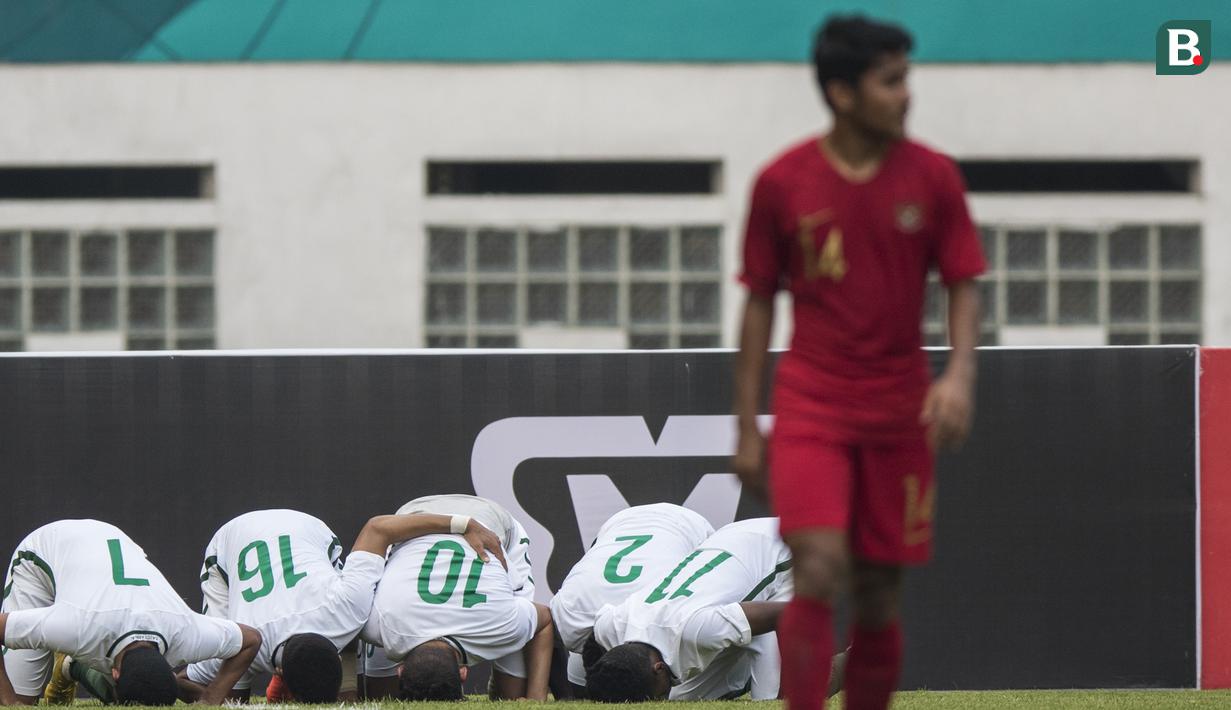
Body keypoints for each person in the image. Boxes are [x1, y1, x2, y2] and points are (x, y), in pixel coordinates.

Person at [731, 14, 985, 710]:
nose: (906, 95)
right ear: (842, 93)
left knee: (877, 590)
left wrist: (958, 374)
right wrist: (747, 428)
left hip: (899, 411)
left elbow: (963, 280)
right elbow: (756, 303)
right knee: (815, 565)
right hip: (812, 405)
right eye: (890, 81)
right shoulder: (782, 182)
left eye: (906, 79)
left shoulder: (932, 177)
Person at [179, 508, 505, 703]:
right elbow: (377, 528)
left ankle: (344, 691)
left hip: (307, 531)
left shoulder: (345, 610)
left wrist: (464, 524)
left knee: (357, 621)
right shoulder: (247, 642)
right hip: (229, 543)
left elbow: (379, 528)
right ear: (279, 672)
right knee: (230, 694)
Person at [0, 519, 261, 706]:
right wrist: (11, 704)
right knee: (23, 700)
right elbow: (250, 639)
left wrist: (210, 700)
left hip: (110, 554)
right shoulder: (74, 626)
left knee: (143, 687)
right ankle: (71, 665)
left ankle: (71, 665)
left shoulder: (187, 633)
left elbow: (251, 640)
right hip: (41, 554)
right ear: (114, 674)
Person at [359, 495, 553, 701]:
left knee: (381, 696)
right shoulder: (378, 624)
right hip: (417, 520)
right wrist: (535, 696)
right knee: (512, 691)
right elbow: (545, 620)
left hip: (446, 522)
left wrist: (535, 697)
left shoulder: (378, 623)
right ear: (463, 673)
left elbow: (544, 622)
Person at [585, 518, 792, 702]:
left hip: (786, 547)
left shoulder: (698, 629)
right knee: (681, 696)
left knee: (768, 697)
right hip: (729, 538)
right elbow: (594, 635)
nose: (659, 702)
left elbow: (783, 614)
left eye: (656, 699)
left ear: (658, 668)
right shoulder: (610, 624)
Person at [550, 503, 715, 694]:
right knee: (582, 688)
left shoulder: (668, 614)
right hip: (620, 524)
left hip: (690, 528)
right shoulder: (572, 617)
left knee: (681, 691)